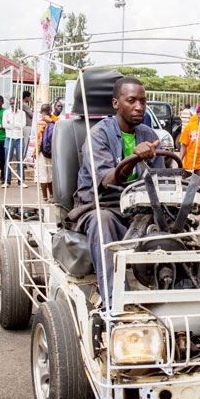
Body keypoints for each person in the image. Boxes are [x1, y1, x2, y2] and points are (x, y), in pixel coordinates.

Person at [73, 77, 164, 304]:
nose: (139, 107)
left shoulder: (149, 135)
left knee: (181, 222)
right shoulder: (99, 134)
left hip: (139, 207)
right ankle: (116, 302)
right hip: (103, 205)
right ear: (116, 103)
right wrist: (134, 159)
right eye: (131, 100)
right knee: (101, 221)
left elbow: (159, 181)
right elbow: (108, 181)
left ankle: (175, 293)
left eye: (143, 101)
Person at [1, 97, 27, 188]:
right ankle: (7, 181)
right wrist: (16, 125)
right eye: (12, 103)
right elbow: (4, 125)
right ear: (9, 104)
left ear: (18, 103)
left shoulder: (22, 113)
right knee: (8, 159)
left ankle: (21, 181)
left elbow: (23, 125)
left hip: (19, 137)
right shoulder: (6, 113)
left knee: (20, 160)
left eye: (15, 103)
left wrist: (11, 123)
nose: (13, 105)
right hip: (9, 137)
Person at [36, 103, 55, 201]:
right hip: (52, 152)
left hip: (42, 152)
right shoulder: (54, 122)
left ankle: (45, 198)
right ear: (50, 110)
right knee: (51, 174)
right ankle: (52, 195)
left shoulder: (40, 123)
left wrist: (35, 152)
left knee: (43, 175)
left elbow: (37, 140)